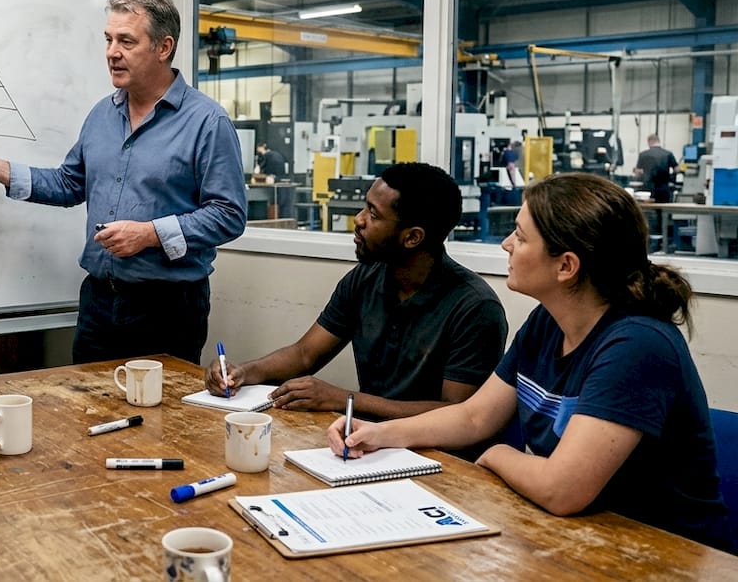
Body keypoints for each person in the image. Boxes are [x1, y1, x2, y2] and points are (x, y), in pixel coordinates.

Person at [328, 172, 733, 553]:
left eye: (520, 237)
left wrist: (497, 455)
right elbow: (473, 418)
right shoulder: (548, 322)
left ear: (566, 266)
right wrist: (380, 434)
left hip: (656, 551)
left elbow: (562, 489)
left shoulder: (638, 345)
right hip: (575, 535)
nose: (506, 244)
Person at [0, 0, 246, 365]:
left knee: (159, 421)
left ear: (163, 47)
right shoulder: (102, 115)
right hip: (98, 301)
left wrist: (149, 234)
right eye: (108, 40)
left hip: (167, 307)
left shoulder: (207, 122)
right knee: (84, 412)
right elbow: (70, 184)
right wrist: (3, 171)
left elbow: (229, 214)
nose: (111, 52)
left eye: (126, 41)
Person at [207, 162, 507, 420]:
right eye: (365, 206)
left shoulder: (475, 308)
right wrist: (244, 372)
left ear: (412, 237)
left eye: (374, 215)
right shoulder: (366, 278)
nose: (359, 220)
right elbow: (304, 354)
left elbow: (456, 412)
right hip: (366, 441)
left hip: (437, 458)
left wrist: (345, 399)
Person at [634, 133, 678, 203]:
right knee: (663, 210)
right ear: (658, 141)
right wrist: (671, 177)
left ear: (649, 142)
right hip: (663, 188)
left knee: (648, 210)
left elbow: (638, 172)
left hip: (647, 189)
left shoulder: (643, 154)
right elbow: (677, 169)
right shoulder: (668, 154)